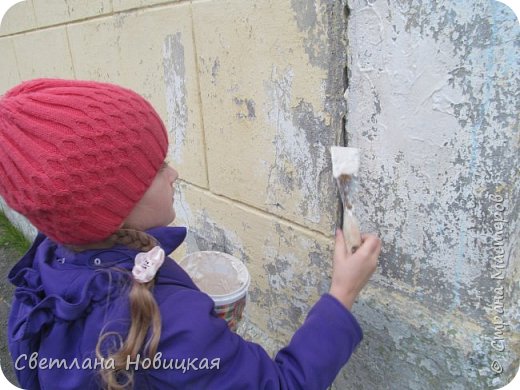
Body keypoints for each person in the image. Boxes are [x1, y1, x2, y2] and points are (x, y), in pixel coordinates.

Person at [0, 78, 381, 390]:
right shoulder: (168, 322)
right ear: (112, 206)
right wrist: (342, 293)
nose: (174, 174)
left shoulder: (48, 267)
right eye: (157, 167)